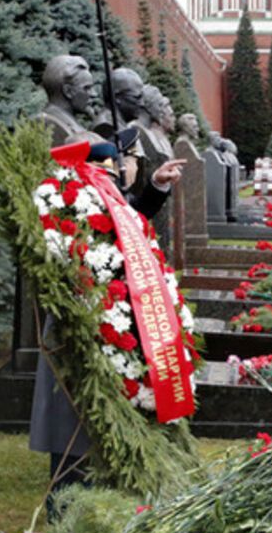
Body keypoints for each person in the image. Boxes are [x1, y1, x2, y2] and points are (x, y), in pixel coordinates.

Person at [30, 132, 185, 497]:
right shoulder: (71, 204)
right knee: (71, 429)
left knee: (91, 431)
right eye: (121, 163)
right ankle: (67, 504)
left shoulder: (100, 198)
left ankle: (94, 498)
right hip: (81, 330)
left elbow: (129, 220)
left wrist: (156, 185)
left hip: (107, 330)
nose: (126, 169)